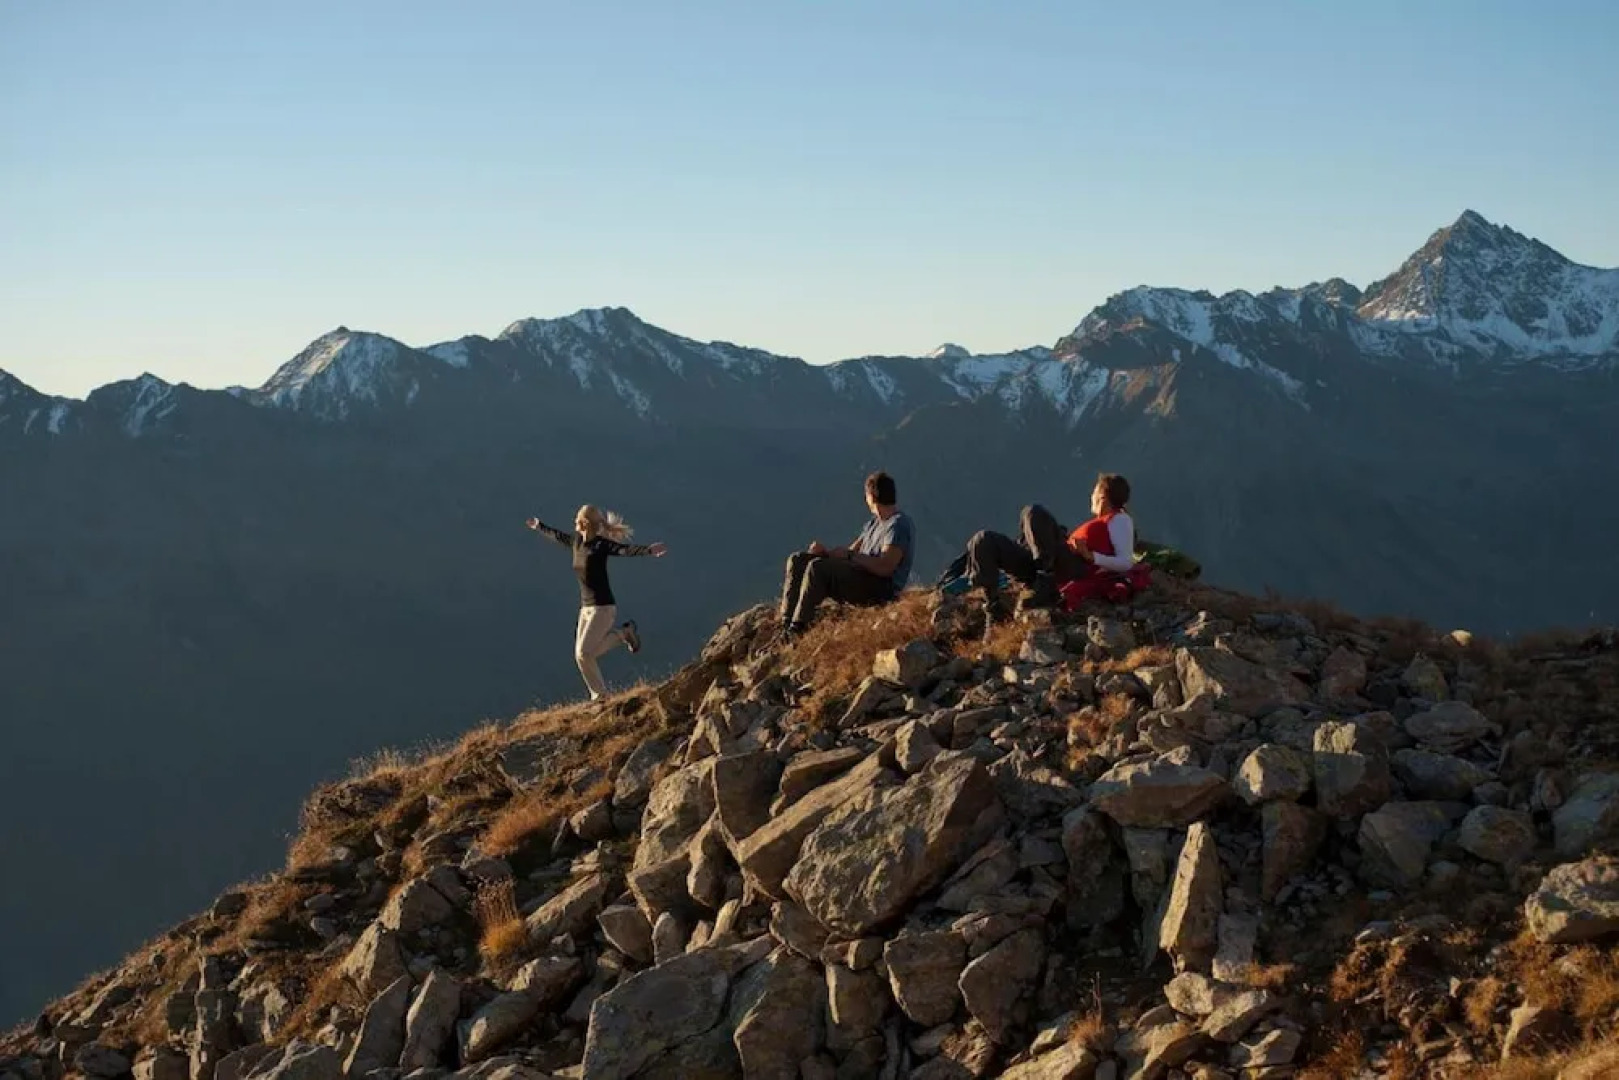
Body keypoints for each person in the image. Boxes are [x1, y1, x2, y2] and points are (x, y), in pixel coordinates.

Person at [526, 505, 668, 700]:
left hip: (603, 608)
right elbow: (557, 536)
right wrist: (538, 526)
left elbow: (623, 550)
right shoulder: (576, 541)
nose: (574, 523)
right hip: (586, 608)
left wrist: (648, 550)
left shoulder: (601, 545)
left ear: (584, 524)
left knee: (584, 653)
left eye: (577, 520)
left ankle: (602, 689)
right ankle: (602, 689)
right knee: (581, 655)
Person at [956, 473, 1136, 625]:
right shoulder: (1100, 521)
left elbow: (1126, 562)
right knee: (984, 539)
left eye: (1094, 491)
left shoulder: (1119, 520)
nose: (1091, 496)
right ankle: (993, 607)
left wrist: (1091, 556)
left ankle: (1045, 578)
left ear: (1102, 496)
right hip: (1050, 563)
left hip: (1074, 567)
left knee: (1033, 512)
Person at [780, 471, 915, 638]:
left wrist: (849, 557)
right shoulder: (873, 524)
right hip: (861, 576)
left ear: (871, 497)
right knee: (798, 560)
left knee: (817, 569)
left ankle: (797, 629)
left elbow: (885, 567)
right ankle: (785, 623)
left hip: (880, 589)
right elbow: (851, 552)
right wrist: (825, 553)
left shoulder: (898, 525)